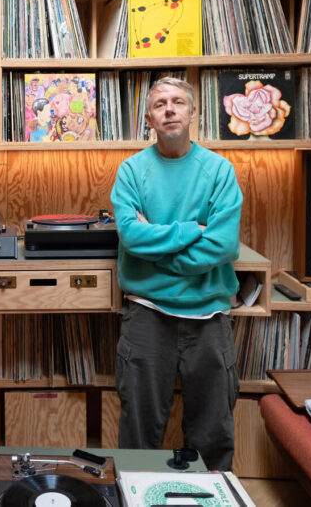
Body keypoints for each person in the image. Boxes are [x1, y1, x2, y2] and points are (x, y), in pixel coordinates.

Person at [110, 76, 243, 471]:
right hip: (147, 313)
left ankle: (211, 496)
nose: (169, 109)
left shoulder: (219, 171)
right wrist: (190, 231)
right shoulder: (131, 171)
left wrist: (157, 256)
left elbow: (223, 246)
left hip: (209, 316)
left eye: (178, 102)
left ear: (193, 113)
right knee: (138, 428)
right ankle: (135, 493)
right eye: (160, 104)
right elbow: (131, 235)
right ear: (149, 119)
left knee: (213, 431)